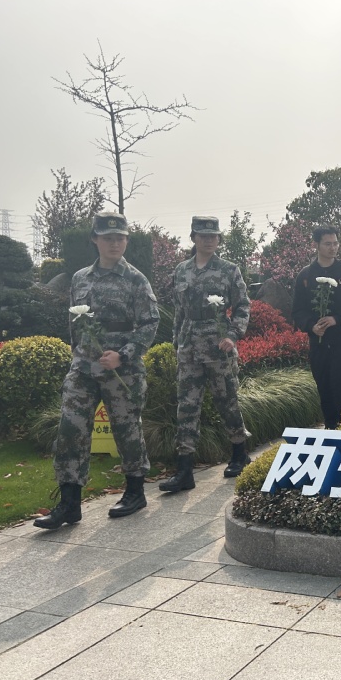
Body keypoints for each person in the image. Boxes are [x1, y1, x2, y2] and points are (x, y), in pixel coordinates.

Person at [35, 212, 159, 529]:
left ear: (126, 241)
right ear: (95, 240)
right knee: (71, 429)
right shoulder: (80, 278)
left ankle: (135, 492)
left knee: (126, 430)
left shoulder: (136, 279)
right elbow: (75, 320)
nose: (114, 243)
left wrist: (123, 355)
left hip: (122, 370)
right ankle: (69, 504)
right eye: (108, 238)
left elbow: (150, 323)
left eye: (120, 238)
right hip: (84, 368)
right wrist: (77, 353)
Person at [160, 216, 252, 494]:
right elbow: (179, 311)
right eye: (203, 236)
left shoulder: (229, 270)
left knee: (227, 401)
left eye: (213, 236)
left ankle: (239, 453)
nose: (209, 240)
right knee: (187, 407)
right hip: (189, 347)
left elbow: (243, 306)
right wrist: (176, 342)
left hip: (218, 347)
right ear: (194, 238)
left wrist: (232, 335)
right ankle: (184, 469)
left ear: (219, 239)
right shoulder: (181, 271)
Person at [291, 226, 341, 427]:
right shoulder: (306, 275)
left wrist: (337, 319)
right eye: (327, 244)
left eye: (335, 243)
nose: (333, 248)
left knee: (340, 383)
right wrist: (311, 326)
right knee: (323, 383)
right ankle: (331, 426)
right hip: (318, 341)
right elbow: (297, 311)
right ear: (316, 245)